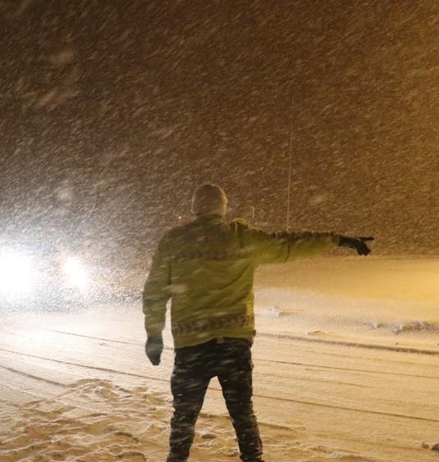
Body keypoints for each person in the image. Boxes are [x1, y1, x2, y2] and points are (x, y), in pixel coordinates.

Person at [142, 184, 373, 462]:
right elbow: (289, 244)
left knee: (184, 416)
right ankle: (253, 458)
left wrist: (154, 335)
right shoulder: (241, 239)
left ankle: (176, 459)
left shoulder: (174, 241)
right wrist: (338, 240)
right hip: (233, 346)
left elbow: (155, 291)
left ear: (194, 208)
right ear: (223, 208)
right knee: (242, 413)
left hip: (192, 347)